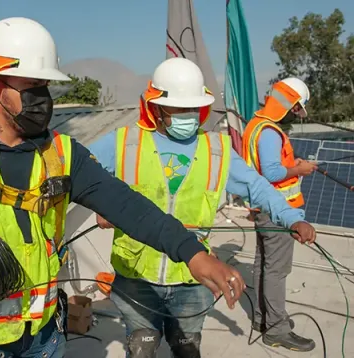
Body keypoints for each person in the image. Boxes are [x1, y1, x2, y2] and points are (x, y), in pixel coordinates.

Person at [0, 18, 247, 358]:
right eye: (32, 86)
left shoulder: (64, 154)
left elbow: (128, 206)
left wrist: (192, 253)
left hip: (44, 336)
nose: (44, 98)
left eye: (46, 86)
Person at [88, 58, 317, 358]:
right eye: (179, 108)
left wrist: (291, 218)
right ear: (156, 107)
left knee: (187, 349)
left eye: (193, 108)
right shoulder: (124, 143)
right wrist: (101, 203)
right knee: (141, 348)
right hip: (136, 279)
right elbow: (80, 174)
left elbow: (258, 187)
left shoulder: (217, 149)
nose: (188, 115)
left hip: (192, 280)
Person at [242, 77, 317, 352]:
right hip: (277, 212)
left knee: (264, 265)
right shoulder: (270, 132)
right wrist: (300, 170)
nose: (294, 114)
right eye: (296, 108)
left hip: (264, 209)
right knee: (277, 270)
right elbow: (271, 172)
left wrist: (293, 165)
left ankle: (264, 319)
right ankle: (276, 330)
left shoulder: (255, 125)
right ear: (290, 102)